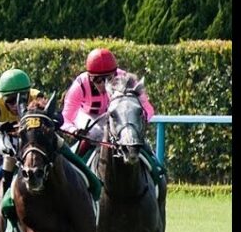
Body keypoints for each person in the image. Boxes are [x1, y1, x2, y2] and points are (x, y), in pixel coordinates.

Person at [0, 68, 101, 200]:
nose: (16, 105)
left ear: (28, 93)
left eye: (23, 98)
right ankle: (6, 195)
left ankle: (91, 179)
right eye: (11, 101)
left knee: (59, 143)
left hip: (28, 134)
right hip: (1, 135)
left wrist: (47, 121)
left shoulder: (37, 96)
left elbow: (59, 119)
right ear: (2, 97)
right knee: (11, 151)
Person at [61, 47, 165, 181]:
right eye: (98, 80)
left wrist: (137, 122)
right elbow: (65, 118)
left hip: (119, 116)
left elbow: (148, 110)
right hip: (88, 116)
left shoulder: (127, 80)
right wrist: (74, 130)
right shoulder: (80, 85)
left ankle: (156, 170)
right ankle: (73, 170)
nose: (104, 85)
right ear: (90, 77)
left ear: (115, 74)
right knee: (94, 133)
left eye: (109, 78)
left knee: (132, 135)